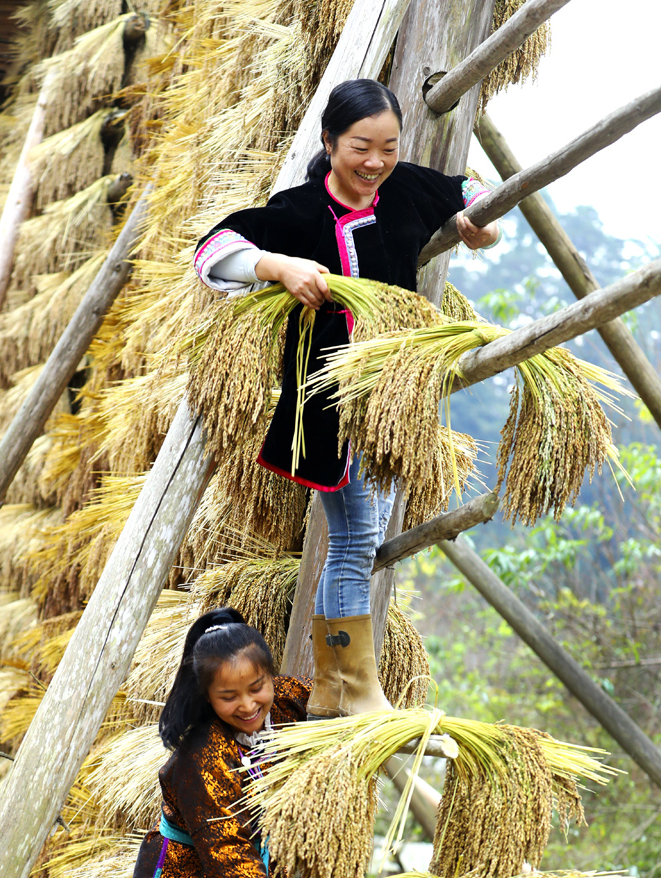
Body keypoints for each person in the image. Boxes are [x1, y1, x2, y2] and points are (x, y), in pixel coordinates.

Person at [194, 79, 500, 719]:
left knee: (354, 540)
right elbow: (214, 252)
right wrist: (277, 267)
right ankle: (357, 687)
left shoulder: (408, 187)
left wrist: (475, 219)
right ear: (330, 143)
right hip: (328, 404)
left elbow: (466, 187)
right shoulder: (300, 211)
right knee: (358, 538)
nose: (376, 162)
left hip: (391, 401)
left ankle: (336, 686)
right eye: (361, 146)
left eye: (389, 146)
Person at [111, 608, 309, 878]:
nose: (247, 705)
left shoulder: (285, 705)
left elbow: (336, 698)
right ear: (206, 698)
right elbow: (227, 852)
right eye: (228, 696)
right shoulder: (200, 756)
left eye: (256, 688)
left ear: (272, 678)